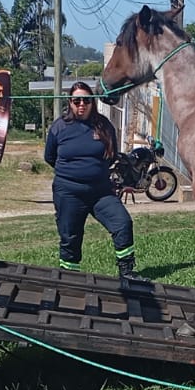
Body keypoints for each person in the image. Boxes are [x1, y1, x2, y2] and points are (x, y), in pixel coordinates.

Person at [43, 81, 140, 284]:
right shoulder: (59, 127)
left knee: (122, 223)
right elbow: (49, 157)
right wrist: (73, 175)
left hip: (100, 191)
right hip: (68, 192)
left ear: (92, 102)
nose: (81, 104)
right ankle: (69, 279)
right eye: (76, 100)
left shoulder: (104, 126)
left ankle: (127, 273)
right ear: (69, 102)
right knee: (70, 237)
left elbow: (111, 156)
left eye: (86, 100)